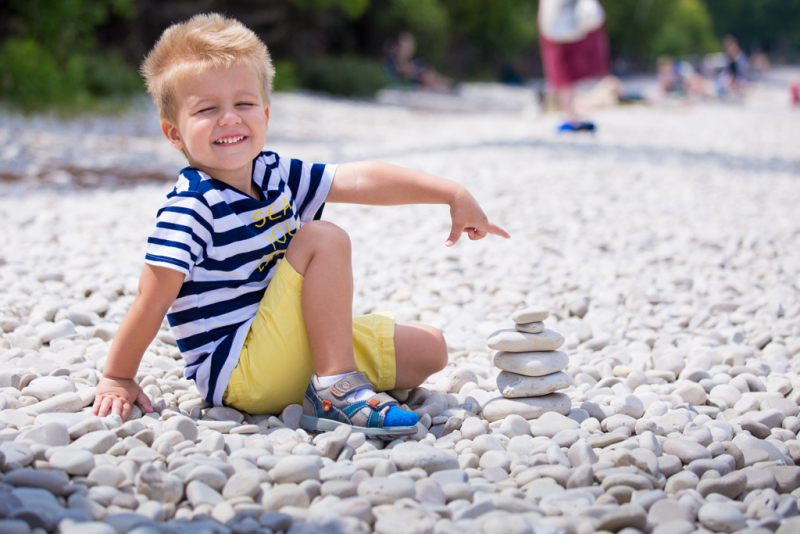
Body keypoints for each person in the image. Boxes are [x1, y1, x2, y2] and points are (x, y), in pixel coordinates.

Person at [91, 14, 508, 437]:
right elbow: (151, 296)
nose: (230, 118)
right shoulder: (193, 207)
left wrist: (450, 193)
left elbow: (359, 179)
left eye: (244, 104)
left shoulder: (274, 173)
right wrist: (118, 376)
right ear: (174, 133)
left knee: (430, 347)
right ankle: (337, 391)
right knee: (321, 238)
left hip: (289, 348)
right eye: (207, 109)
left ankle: (326, 379)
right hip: (242, 370)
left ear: (266, 114)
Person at [538, 0, 610, 132]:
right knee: (562, 62)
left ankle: (571, 116)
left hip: (561, 17)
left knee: (564, 63)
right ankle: (570, 116)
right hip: (559, 17)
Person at [384, 32, 453, 91]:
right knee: (426, 76)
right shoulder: (391, 62)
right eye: (405, 46)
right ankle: (448, 85)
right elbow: (401, 71)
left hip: (421, 84)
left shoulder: (416, 62)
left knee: (429, 74)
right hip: (408, 87)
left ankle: (450, 84)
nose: (408, 49)